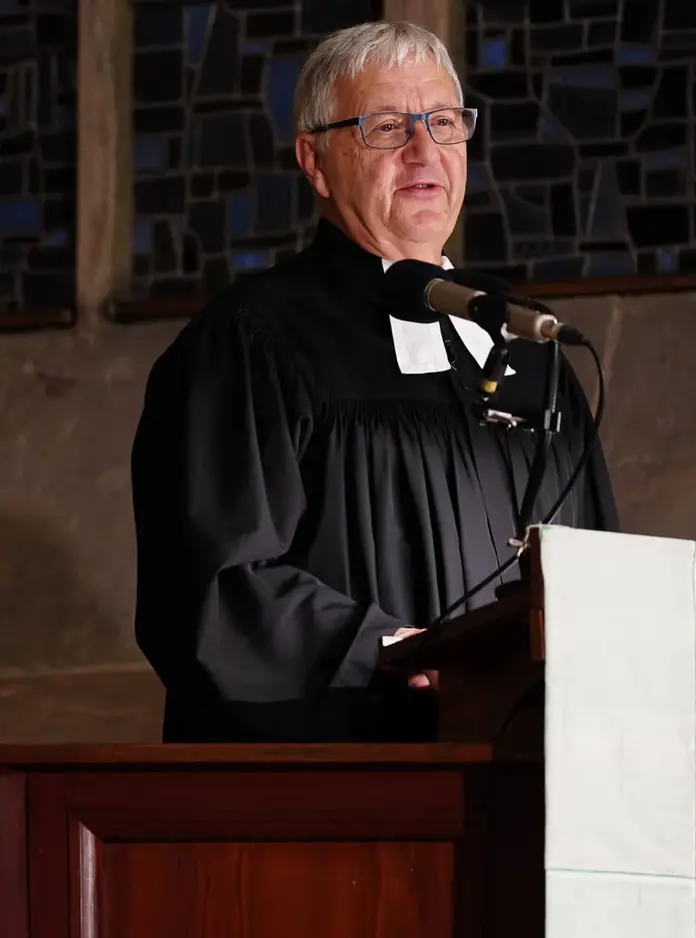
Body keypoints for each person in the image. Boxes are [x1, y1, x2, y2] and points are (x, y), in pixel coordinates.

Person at [130, 21, 618, 743]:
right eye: (388, 126)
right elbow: (216, 584)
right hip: (353, 781)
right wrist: (392, 653)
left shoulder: (527, 344)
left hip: (529, 780)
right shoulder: (252, 342)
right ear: (316, 161)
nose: (425, 151)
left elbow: (597, 574)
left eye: (444, 123)